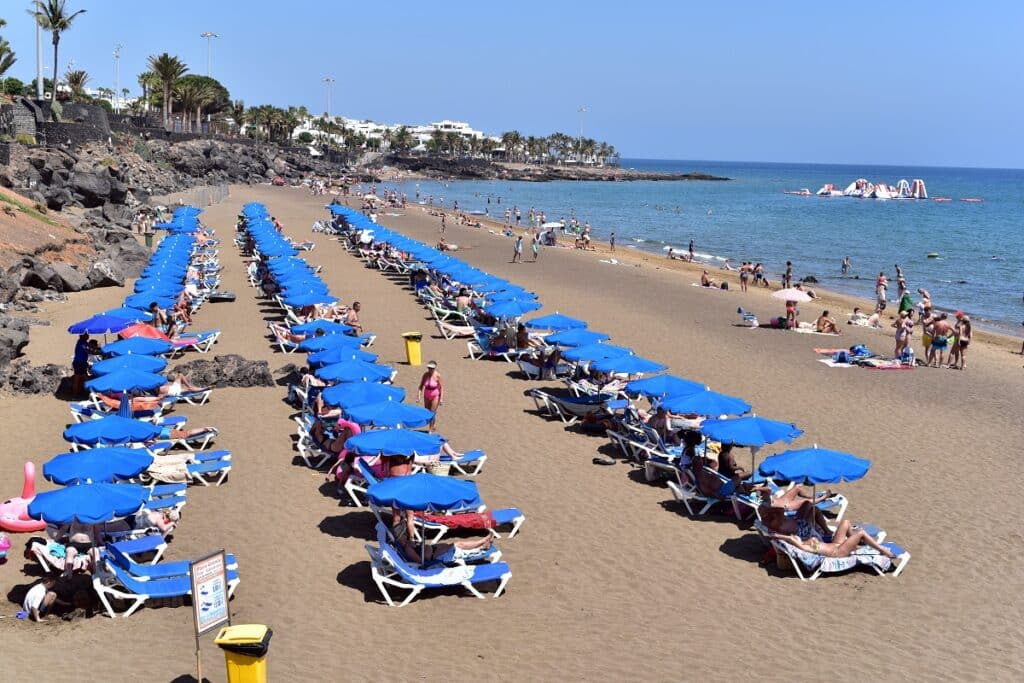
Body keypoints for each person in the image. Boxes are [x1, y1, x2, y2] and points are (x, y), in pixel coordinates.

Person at [417, 361, 443, 432]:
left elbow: (441, 387)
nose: (430, 369)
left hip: (435, 395)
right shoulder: (425, 375)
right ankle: (433, 424)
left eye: (431, 368)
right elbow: (421, 386)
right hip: (426, 394)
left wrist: (441, 398)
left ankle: (430, 430)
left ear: (434, 368)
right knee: (427, 412)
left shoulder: (438, 375)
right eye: (429, 368)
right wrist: (418, 396)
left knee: (432, 412)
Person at [71, 333, 91, 397]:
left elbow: (90, 346)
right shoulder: (82, 343)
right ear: (83, 336)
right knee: (78, 378)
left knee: (84, 377)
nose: (88, 336)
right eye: (87, 335)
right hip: (79, 363)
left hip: (80, 363)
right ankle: (74, 394)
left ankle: (86, 391)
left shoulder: (82, 342)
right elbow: (90, 350)